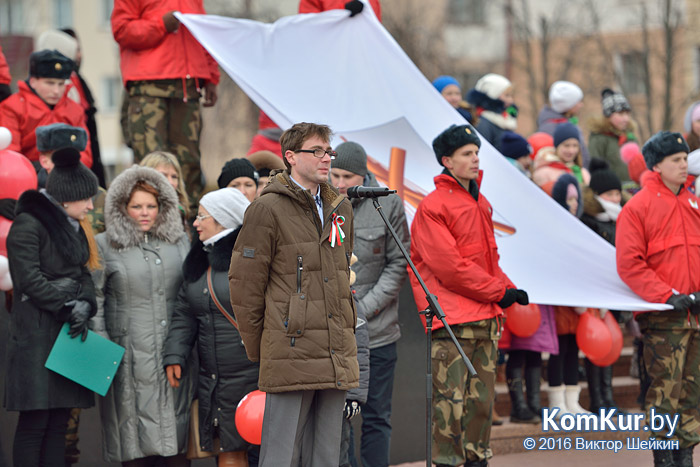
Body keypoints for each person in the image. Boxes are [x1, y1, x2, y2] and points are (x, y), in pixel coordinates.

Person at [229, 122, 357, 466]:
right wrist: (263, 348)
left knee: (326, 455)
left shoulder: (340, 208)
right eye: (316, 151)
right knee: (280, 455)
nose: (326, 158)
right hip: (290, 348)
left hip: (335, 349)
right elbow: (245, 285)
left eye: (328, 151)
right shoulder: (266, 209)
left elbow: (341, 277)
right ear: (290, 157)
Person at [409, 123, 528, 466]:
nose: (476, 159)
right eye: (467, 153)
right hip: (453, 321)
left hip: (484, 317)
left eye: (477, 152)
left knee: (482, 402)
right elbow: (450, 268)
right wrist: (499, 291)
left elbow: (489, 260)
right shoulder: (433, 206)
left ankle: (478, 459)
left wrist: (508, 288)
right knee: (450, 405)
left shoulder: (480, 201)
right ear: (446, 160)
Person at [91, 165, 191, 465]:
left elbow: (190, 298)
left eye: (151, 206)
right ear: (122, 207)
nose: (145, 212)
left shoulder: (180, 243)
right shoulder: (104, 245)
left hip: (175, 360)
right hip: (126, 362)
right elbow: (93, 303)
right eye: (136, 206)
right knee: (135, 448)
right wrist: (103, 356)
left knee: (176, 449)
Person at [5, 147, 99, 466]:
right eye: (86, 198)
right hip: (35, 339)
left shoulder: (73, 227)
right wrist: (66, 306)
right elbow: (28, 280)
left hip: (66, 336)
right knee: (35, 424)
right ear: (66, 198)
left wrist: (85, 303)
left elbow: (83, 271)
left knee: (59, 424)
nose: (90, 205)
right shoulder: (28, 225)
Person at [616, 131, 700, 467]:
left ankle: (686, 458)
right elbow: (630, 264)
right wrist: (667, 295)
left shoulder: (693, 202)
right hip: (665, 318)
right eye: (676, 161)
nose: (684, 165)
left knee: (692, 395)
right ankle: (664, 461)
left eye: (685, 159)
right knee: (665, 394)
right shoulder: (639, 207)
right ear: (657, 165)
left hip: (695, 316)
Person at [163, 188, 259, 467]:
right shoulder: (199, 261)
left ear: (222, 219)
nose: (195, 223)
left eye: (202, 216)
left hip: (249, 374)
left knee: (245, 450)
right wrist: (174, 354)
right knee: (228, 450)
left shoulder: (250, 258)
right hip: (213, 378)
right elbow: (184, 313)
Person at [330, 141, 410, 467]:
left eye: (347, 176)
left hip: (377, 333)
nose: (339, 183)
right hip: (334, 338)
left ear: (364, 174)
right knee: (337, 421)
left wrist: (362, 309)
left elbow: (398, 264)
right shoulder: (321, 203)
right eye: (334, 174)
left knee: (377, 417)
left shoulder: (387, 205)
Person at [112, 0, 220, 207]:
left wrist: (211, 77)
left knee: (189, 163)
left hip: (188, 87)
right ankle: (150, 221)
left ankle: (189, 223)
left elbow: (203, 34)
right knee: (151, 164)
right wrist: (161, 25)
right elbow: (122, 30)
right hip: (148, 88)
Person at [581, 158, 627, 415]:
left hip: (616, 290)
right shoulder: (589, 222)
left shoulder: (622, 219)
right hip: (596, 291)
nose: (615, 198)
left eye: (617, 193)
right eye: (609, 194)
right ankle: (597, 399)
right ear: (597, 195)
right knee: (596, 345)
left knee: (612, 343)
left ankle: (608, 397)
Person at [0, 50, 92, 168]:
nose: (56, 91)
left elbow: (85, 152)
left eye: (61, 84)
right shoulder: (12, 107)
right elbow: (11, 154)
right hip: (30, 175)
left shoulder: (75, 110)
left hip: (69, 174)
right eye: (50, 83)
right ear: (33, 82)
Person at [588, 89, 639, 183]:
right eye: (620, 114)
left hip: (633, 187)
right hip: (612, 190)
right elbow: (595, 167)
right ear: (608, 115)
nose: (626, 118)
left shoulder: (630, 137)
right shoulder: (599, 138)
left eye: (627, 113)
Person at [537, 80, 590, 168]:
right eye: (578, 101)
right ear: (568, 104)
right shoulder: (550, 127)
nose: (581, 105)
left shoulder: (570, 122)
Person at [466, 73, 516, 151]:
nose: (511, 100)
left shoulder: (505, 120)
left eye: (511, 96)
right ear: (493, 95)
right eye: (507, 95)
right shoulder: (482, 123)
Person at [532, 122, 590, 188]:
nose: (571, 151)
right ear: (557, 146)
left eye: (575, 145)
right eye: (566, 145)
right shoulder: (543, 174)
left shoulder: (583, 173)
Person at [140, 151, 191, 221]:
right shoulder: (128, 213)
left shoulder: (181, 214)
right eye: (163, 175)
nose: (170, 182)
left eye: (174, 177)